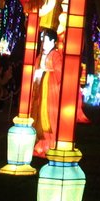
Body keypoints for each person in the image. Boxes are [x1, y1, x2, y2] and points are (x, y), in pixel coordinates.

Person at [30, 28, 62, 157]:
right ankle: (42, 143)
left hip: (50, 91)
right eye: (42, 39)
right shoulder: (41, 55)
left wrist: (46, 73)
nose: (43, 42)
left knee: (50, 116)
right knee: (39, 115)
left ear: (53, 41)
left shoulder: (56, 55)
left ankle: (52, 143)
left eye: (46, 39)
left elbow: (59, 72)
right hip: (40, 89)